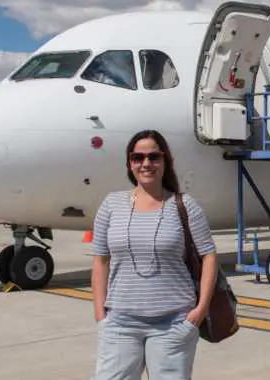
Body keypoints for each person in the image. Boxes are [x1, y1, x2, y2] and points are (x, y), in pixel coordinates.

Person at [90, 129, 219, 380]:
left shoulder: (184, 205)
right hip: (120, 323)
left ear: (165, 161)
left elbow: (209, 256)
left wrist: (199, 311)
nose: (146, 163)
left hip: (173, 324)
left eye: (153, 157)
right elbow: (100, 259)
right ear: (130, 163)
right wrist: (100, 313)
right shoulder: (111, 204)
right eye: (138, 157)